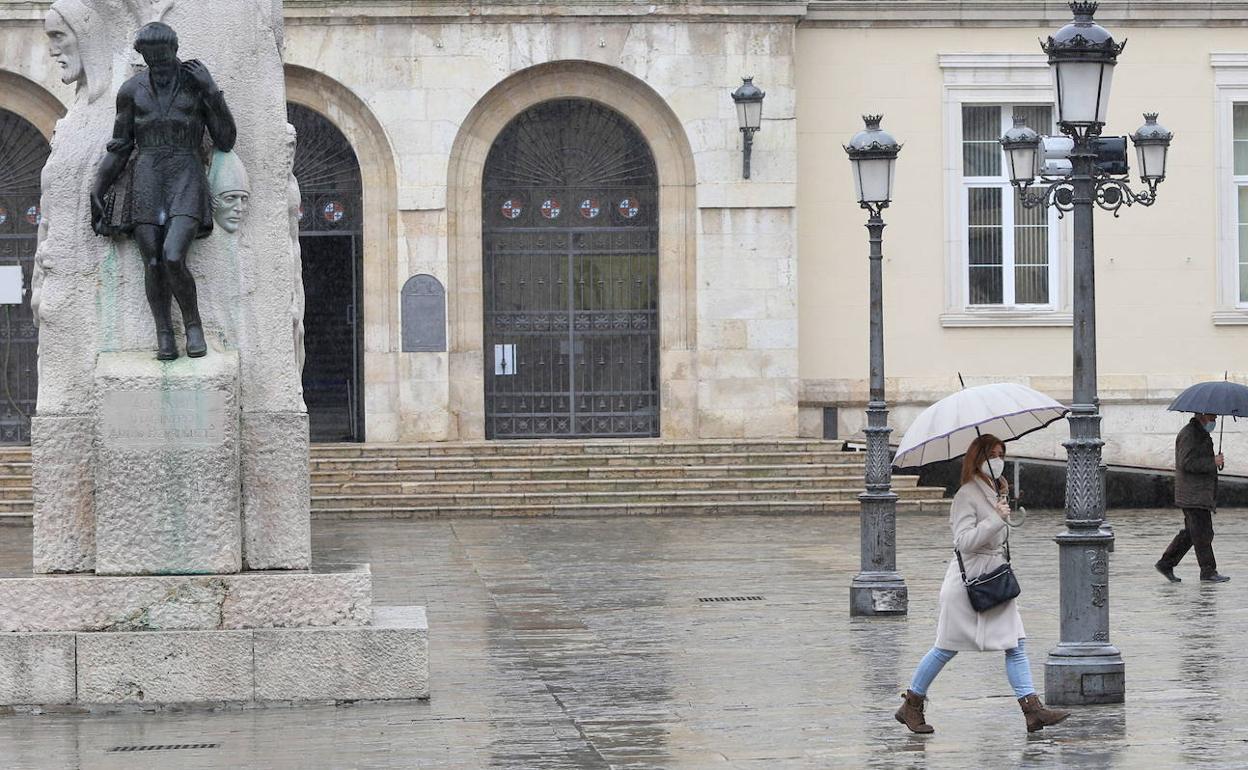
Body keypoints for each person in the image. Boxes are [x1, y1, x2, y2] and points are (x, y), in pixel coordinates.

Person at [895, 434, 1070, 734]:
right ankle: (911, 704)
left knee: (1015, 644)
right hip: (968, 583)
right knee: (945, 647)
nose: (999, 460)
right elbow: (964, 542)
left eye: (1002, 453)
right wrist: (995, 519)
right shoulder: (967, 494)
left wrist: (1001, 515)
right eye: (992, 454)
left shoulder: (994, 491)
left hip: (994, 578)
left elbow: (994, 536)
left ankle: (1033, 710)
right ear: (978, 459)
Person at [91, 21, 237, 360]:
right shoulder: (131, 91)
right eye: (151, 59)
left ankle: (193, 324)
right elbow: (121, 146)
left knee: (173, 255)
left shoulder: (195, 84)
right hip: (147, 178)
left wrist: (212, 91)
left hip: (186, 174)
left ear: (174, 51)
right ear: (144, 57)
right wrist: (99, 187)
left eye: (164, 57)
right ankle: (164, 335)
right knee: (153, 261)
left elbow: (226, 139)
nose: (159, 64)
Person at [1156, 413, 1229, 583]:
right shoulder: (1189, 434)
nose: (1215, 419)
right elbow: (1186, 463)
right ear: (1202, 415)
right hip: (1193, 494)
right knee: (1203, 533)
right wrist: (1213, 461)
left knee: (1192, 532)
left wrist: (1214, 462)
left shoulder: (1200, 433)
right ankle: (1208, 571)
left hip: (1199, 493)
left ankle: (1166, 563)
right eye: (1213, 416)